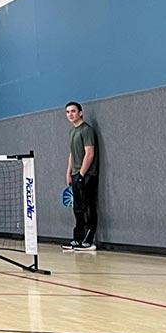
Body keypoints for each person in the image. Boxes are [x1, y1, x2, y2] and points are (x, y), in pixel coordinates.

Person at [63, 101, 98, 252]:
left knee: (88, 207)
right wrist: (69, 172)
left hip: (88, 174)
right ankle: (77, 238)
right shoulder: (72, 132)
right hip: (76, 174)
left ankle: (89, 240)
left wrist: (82, 174)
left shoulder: (87, 130)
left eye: (73, 111)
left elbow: (89, 153)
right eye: (68, 112)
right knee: (77, 208)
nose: (70, 114)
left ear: (80, 113)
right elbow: (72, 154)